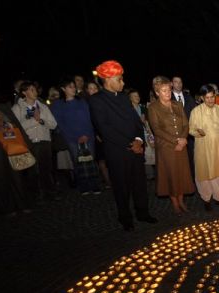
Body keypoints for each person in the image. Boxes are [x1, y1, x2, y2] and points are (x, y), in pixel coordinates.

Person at [89, 60, 157, 230]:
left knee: (139, 183)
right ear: (108, 79)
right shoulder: (96, 100)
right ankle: (125, 217)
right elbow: (104, 129)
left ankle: (143, 212)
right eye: (119, 79)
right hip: (117, 151)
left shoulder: (124, 98)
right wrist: (129, 143)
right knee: (121, 186)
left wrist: (139, 140)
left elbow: (136, 122)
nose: (123, 82)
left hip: (136, 148)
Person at [0, 81, 33, 216]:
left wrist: (9, 125)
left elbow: (14, 123)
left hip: (10, 142)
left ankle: (22, 203)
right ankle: (7, 207)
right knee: (0, 176)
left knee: (16, 173)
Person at [147, 77, 195, 214]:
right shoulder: (153, 108)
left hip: (182, 144)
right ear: (157, 92)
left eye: (169, 90)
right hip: (167, 147)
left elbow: (186, 124)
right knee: (172, 175)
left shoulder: (177, 105)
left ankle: (181, 200)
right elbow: (157, 130)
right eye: (163, 91)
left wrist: (184, 138)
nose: (167, 93)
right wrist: (176, 141)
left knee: (182, 173)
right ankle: (175, 203)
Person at [51, 78, 102, 195]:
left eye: (74, 86)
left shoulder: (82, 101)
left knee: (91, 160)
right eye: (70, 87)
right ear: (63, 89)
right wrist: (75, 137)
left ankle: (95, 185)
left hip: (88, 136)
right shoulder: (58, 104)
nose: (73, 88)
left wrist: (87, 134)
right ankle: (83, 186)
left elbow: (90, 119)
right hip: (72, 139)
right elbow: (61, 124)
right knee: (77, 162)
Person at [189, 84, 219, 211]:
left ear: (215, 96)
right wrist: (198, 132)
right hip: (203, 148)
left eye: (212, 97)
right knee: (205, 173)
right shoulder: (196, 111)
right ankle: (206, 199)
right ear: (202, 98)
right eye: (207, 97)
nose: (210, 100)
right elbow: (191, 129)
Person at [12, 81, 59, 201]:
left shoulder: (42, 106)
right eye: (31, 89)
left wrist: (42, 120)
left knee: (46, 168)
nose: (35, 91)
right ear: (24, 92)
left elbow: (53, 124)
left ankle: (50, 192)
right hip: (30, 142)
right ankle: (36, 195)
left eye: (35, 89)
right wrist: (34, 121)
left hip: (44, 140)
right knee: (33, 170)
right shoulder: (17, 108)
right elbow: (16, 127)